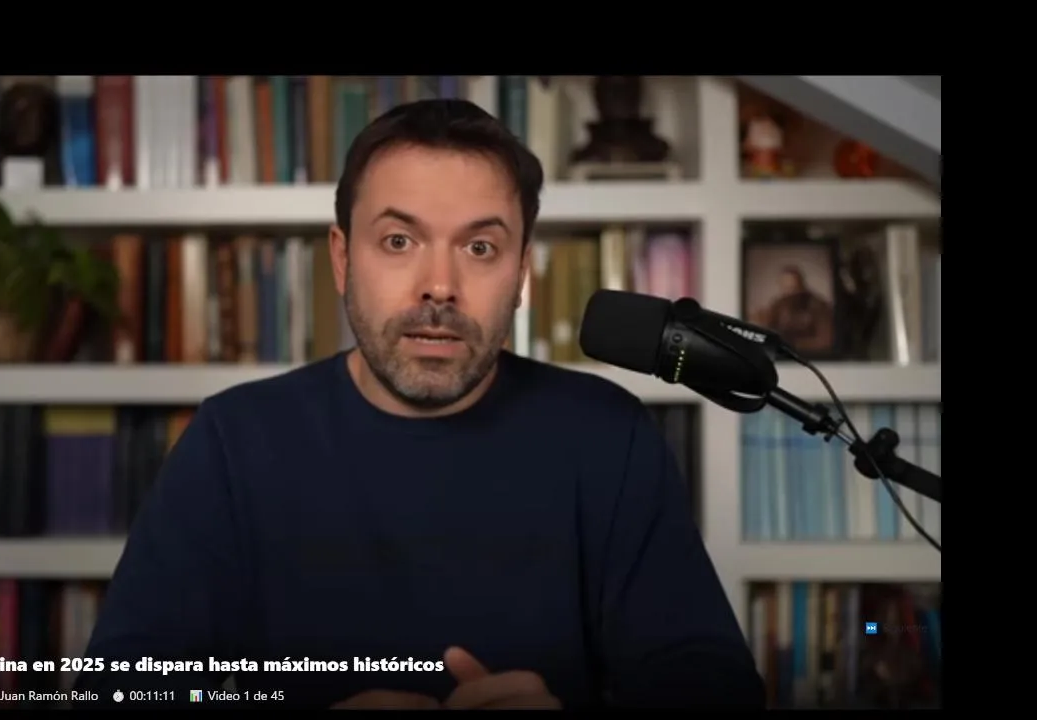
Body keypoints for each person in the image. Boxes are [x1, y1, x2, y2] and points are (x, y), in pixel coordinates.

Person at [74, 99, 765, 710]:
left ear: (521, 274)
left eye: (480, 247)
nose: (439, 285)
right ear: (342, 259)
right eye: (398, 241)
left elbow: (711, 684)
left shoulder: (608, 436)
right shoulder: (233, 440)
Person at [756, 265, 834, 353]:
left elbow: (826, 341)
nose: (790, 293)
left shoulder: (819, 306)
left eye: (794, 288)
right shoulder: (778, 305)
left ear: (802, 286)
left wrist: (794, 344)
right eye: (785, 288)